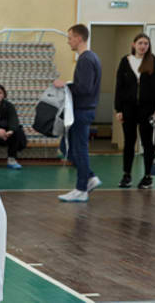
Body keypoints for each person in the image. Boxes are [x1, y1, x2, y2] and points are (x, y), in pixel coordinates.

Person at [54, 24, 102, 202]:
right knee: (66, 147)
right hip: (81, 110)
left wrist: (65, 85)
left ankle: (82, 188)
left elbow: (84, 88)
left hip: (82, 111)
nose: (68, 42)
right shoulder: (89, 58)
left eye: (70, 38)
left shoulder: (86, 59)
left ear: (79, 38)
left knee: (79, 149)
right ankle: (89, 177)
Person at [114, 33, 155, 189]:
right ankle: (127, 175)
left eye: (146, 43)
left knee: (147, 143)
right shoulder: (125, 61)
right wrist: (118, 109)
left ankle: (147, 177)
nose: (143, 46)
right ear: (134, 44)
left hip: (148, 109)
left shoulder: (154, 62)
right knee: (129, 142)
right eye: (140, 43)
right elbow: (119, 87)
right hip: (128, 108)